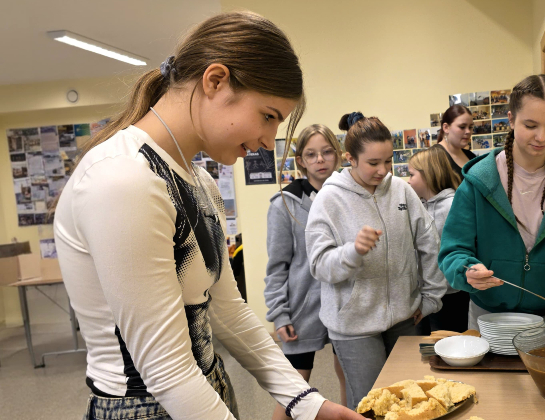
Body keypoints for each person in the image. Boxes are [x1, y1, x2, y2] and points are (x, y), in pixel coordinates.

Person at [53, 12, 361, 420]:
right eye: (268, 116)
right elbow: (164, 367)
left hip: (204, 390)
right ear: (215, 81)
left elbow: (228, 311)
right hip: (146, 406)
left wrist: (307, 403)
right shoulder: (122, 177)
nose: (269, 141)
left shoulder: (199, 180)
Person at [438, 74, 545, 331]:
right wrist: (467, 271)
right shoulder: (478, 182)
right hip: (487, 316)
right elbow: (453, 250)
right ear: (510, 119)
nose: (542, 136)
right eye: (530, 125)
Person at [305, 112, 447, 410]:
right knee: (372, 406)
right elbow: (319, 265)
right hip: (354, 326)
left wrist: (431, 297)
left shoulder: (401, 190)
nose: (383, 170)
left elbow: (429, 243)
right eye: (373, 163)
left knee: (409, 400)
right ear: (350, 159)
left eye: (388, 161)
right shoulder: (329, 199)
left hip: (406, 317)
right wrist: (352, 251)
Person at [265, 124, 347, 420]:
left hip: (345, 303)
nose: (320, 160)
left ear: (337, 155)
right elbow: (277, 265)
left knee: (348, 375)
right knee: (296, 386)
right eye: (311, 154)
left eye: (326, 152)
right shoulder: (284, 204)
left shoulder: (350, 196)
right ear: (300, 160)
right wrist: (279, 313)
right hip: (301, 307)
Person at [407, 147, 469, 333]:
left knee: (447, 343)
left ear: (428, 174)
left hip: (451, 295)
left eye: (411, 175)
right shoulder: (418, 206)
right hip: (425, 292)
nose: (408, 181)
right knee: (423, 346)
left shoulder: (452, 205)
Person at [431, 104, 476, 180]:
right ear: (446, 128)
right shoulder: (432, 157)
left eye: (470, 127)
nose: (468, 131)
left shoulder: (471, 156)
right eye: (462, 127)